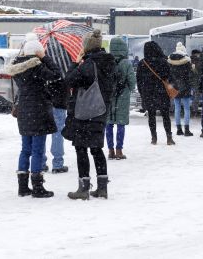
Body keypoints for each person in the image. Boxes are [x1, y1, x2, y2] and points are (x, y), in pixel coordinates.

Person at [63, 29, 115, 200]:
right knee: (96, 149)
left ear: (86, 47)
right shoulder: (108, 62)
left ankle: (83, 188)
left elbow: (69, 81)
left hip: (85, 112)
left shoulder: (88, 65)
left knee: (81, 149)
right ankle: (102, 188)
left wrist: (75, 63)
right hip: (101, 111)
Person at [7, 33, 61, 198]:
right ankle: (37, 186)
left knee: (25, 149)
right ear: (37, 52)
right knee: (38, 150)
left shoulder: (17, 68)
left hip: (24, 110)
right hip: (38, 110)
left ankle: (22, 187)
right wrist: (44, 57)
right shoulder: (37, 67)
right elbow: (56, 74)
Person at [136, 41, 175, 145]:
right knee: (165, 115)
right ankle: (169, 137)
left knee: (151, 116)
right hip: (162, 92)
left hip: (148, 93)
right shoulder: (164, 61)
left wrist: (142, 92)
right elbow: (170, 77)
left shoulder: (142, 63)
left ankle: (154, 138)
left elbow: (138, 80)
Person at [106, 37, 136, 160]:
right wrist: (129, 88)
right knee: (121, 124)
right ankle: (119, 150)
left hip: (109, 96)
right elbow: (132, 81)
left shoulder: (107, 61)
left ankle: (110, 150)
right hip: (123, 96)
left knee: (109, 123)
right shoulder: (127, 63)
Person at [42, 63, 69, 174]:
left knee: (41, 132)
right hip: (59, 101)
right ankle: (57, 164)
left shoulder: (42, 60)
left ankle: (41, 163)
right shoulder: (66, 59)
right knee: (57, 132)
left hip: (44, 101)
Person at [168, 42, 194, 136]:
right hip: (185, 86)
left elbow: (169, 75)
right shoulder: (187, 61)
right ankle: (187, 130)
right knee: (187, 108)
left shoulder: (170, 60)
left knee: (177, 108)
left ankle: (179, 129)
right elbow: (190, 75)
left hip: (175, 87)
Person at [190, 49, 202, 116]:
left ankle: (192, 110)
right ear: (196, 54)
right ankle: (194, 110)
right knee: (196, 96)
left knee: (191, 96)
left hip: (189, 81)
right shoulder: (197, 61)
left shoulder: (188, 60)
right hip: (196, 81)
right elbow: (196, 72)